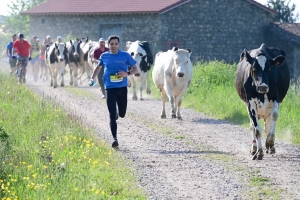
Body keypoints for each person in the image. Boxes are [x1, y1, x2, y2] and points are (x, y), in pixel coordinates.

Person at [89, 35, 138, 149]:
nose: (114, 46)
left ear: (119, 45)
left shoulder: (125, 55)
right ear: (108, 45)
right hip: (110, 88)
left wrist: (127, 74)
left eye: (116, 44)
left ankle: (118, 113)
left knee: (122, 114)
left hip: (122, 88)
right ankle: (115, 139)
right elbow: (98, 68)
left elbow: (135, 69)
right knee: (111, 115)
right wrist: (92, 78)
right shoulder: (104, 56)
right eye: (112, 44)